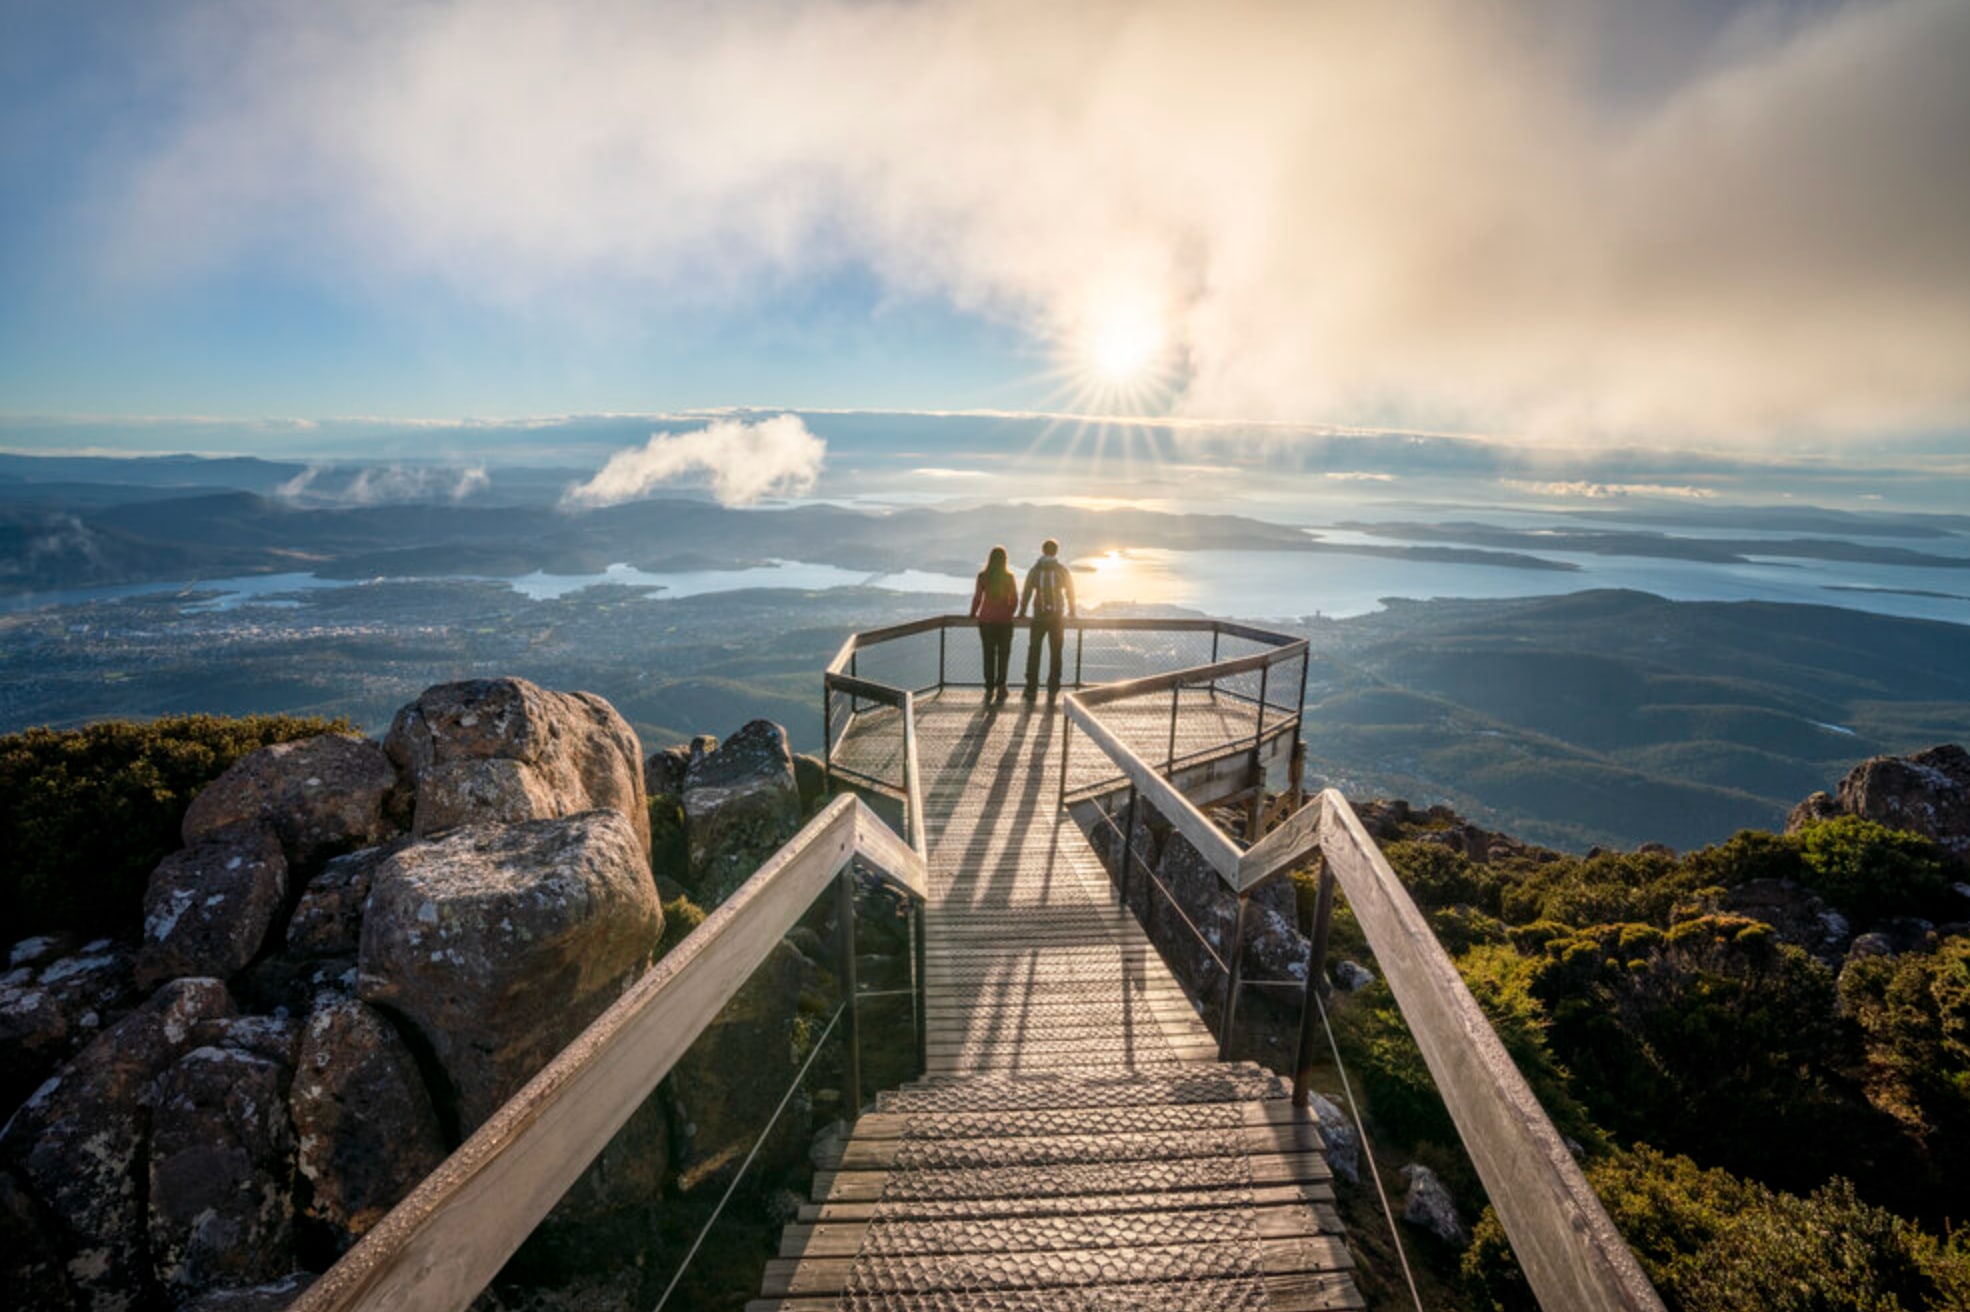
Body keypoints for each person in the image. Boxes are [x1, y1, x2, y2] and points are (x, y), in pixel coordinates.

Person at [1017, 538, 1077, 700]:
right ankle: (1053, 687)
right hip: (1057, 617)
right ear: (1056, 552)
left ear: (1043, 551)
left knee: (1034, 651)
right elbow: (1070, 592)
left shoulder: (1035, 570)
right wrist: (1072, 611)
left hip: (1039, 616)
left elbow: (1027, 592)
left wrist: (1022, 612)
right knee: (1056, 652)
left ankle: (1031, 688)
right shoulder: (1062, 571)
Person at [969, 545, 1018, 702]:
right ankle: (1001, 687)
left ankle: (989, 688)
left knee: (988, 654)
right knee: (1004, 655)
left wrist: (972, 614)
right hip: (1004, 622)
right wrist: (1009, 612)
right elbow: (1015, 599)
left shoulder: (983, 576)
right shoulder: (1009, 577)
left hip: (986, 621)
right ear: (1005, 560)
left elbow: (978, 598)